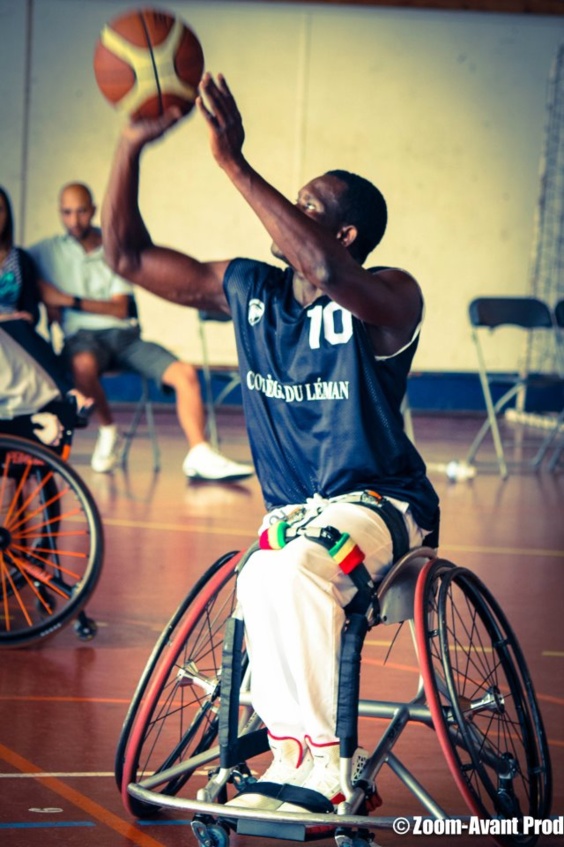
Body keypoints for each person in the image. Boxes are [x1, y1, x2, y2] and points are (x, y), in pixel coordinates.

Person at [101, 73, 440, 812]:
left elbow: (323, 269)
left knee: (289, 572)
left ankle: (325, 771)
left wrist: (232, 162)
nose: (285, 213)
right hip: (294, 514)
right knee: (260, 577)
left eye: (305, 206)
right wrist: (129, 146)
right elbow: (125, 258)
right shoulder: (251, 288)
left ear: (343, 233)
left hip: (382, 506)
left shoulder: (392, 295)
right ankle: (289, 755)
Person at [28, 182, 254, 480]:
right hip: (81, 341)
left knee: (185, 373)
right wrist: (43, 297)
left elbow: (120, 309)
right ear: (60, 213)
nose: (74, 220)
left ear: (93, 210)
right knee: (80, 364)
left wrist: (68, 300)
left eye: (81, 211)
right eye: (67, 213)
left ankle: (199, 453)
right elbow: (14, 271)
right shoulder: (44, 252)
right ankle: (109, 430)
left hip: (125, 338)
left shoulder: (114, 247)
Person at [0, 186, 76, 400]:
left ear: (8, 215)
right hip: (8, 327)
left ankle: (66, 396)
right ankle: (68, 392)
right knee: (15, 327)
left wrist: (27, 316)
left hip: (16, 332)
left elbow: (31, 308)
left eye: (0, 210)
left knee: (21, 328)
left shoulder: (20, 258)